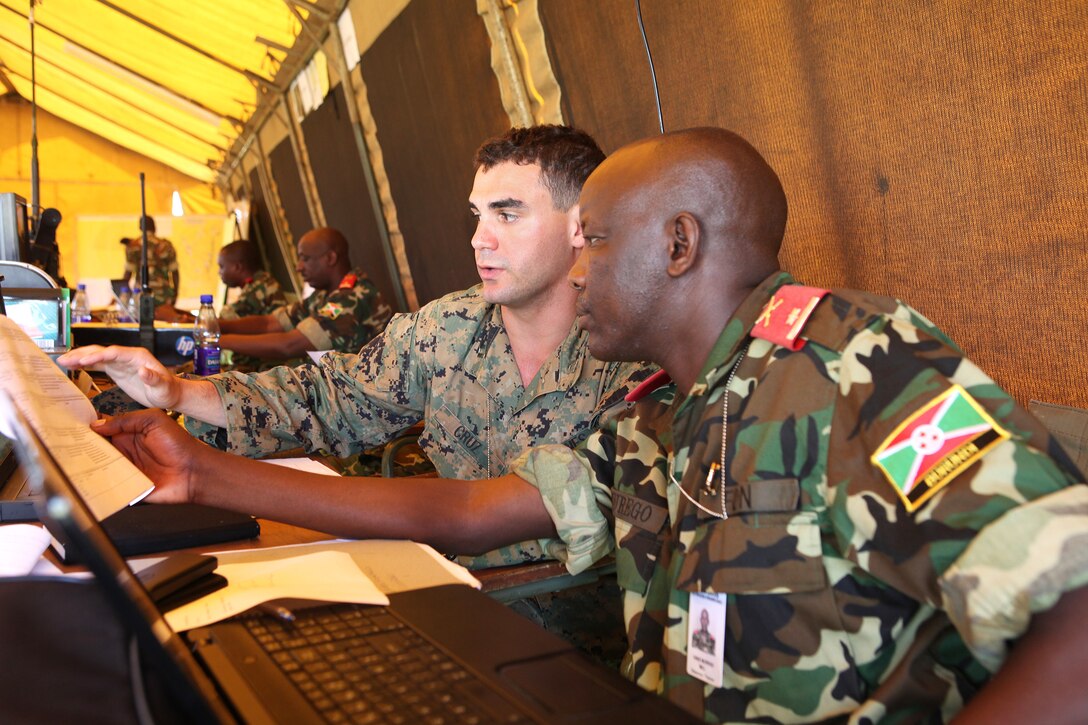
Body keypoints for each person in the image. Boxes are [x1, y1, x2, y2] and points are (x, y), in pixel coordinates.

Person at [78, 127, 1088, 722]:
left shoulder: (855, 358)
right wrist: (203, 475)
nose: (575, 268)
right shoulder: (659, 412)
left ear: (680, 243)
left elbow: (1076, 610)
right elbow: (475, 508)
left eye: (592, 242)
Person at [60, 125, 656, 658]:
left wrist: (205, 472)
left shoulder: (636, 357)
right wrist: (179, 391)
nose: (479, 239)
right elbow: (333, 396)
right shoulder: (448, 327)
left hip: (562, 639)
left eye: (507, 214)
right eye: (476, 215)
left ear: (581, 224)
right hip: (435, 591)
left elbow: (489, 520)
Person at [214, 227, 392, 362]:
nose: (299, 267)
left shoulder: (350, 299)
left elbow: (289, 345)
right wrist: (217, 325)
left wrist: (217, 340)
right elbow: (271, 323)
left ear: (330, 258)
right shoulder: (325, 295)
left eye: (305, 259)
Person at [215, 239, 288, 371]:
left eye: (222, 267)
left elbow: (225, 320)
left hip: (263, 367)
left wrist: (194, 321)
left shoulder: (258, 288)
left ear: (237, 267)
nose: (219, 272)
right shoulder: (259, 282)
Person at [123, 215, 179, 315]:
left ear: (140, 227)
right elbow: (175, 273)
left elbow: (127, 275)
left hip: (140, 297)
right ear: (154, 227)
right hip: (163, 297)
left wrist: (127, 296)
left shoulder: (133, 246)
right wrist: (175, 294)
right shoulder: (166, 246)